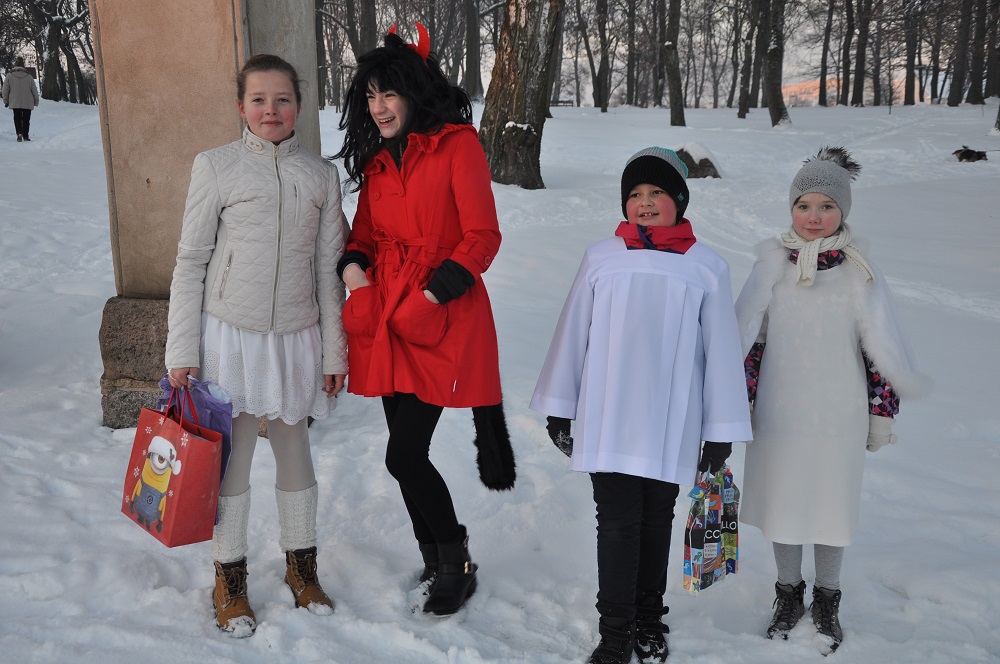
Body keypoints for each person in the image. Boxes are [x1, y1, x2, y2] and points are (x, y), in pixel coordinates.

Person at [530, 147, 753, 664]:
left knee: (656, 520)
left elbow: (721, 350)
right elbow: (573, 331)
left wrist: (720, 431)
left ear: (680, 199)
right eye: (634, 194)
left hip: (671, 421)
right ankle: (615, 633)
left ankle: (649, 619)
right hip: (607, 416)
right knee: (616, 523)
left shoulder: (706, 266)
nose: (645, 202)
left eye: (656, 193)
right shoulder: (602, 257)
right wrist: (561, 406)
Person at [165, 54, 348, 637]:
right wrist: (181, 349)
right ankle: (230, 577)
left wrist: (335, 352)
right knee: (235, 454)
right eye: (259, 100)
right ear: (241, 106)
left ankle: (302, 567)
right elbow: (191, 262)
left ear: (300, 105)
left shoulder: (320, 176)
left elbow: (330, 273)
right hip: (230, 336)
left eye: (283, 99)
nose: (272, 110)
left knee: (295, 448)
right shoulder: (215, 167)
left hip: (297, 335)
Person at [334, 24, 514, 617]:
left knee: (404, 455)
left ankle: (457, 561)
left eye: (389, 93)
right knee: (402, 452)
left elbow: (482, 236)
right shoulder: (378, 162)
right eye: (370, 96)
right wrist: (356, 275)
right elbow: (363, 236)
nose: (378, 107)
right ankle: (436, 558)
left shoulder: (458, 145)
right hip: (386, 317)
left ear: (415, 92)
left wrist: (432, 296)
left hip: (440, 317)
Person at [734, 147, 922, 652]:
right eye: (804, 205)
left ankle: (828, 597)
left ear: (843, 211)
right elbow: (750, 342)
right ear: (791, 209)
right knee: (784, 499)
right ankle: (788, 592)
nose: (814, 216)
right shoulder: (771, 268)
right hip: (779, 410)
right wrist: (741, 403)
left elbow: (880, 350)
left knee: (831, 503)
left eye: (826, 206)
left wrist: (880, 415)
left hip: (838, 412)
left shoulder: (859, 272)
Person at [2, 56, 39, 142]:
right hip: (27, 101)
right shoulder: (28, 76)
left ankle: (19, 133)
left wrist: (5, 100)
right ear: (23, 65)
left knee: (17, 118)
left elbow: (5, 89)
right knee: (26, 119)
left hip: (15, 100)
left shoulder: (9, 75)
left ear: (15, 65)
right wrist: (36, 100)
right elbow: (34, 89)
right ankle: (26, 135)